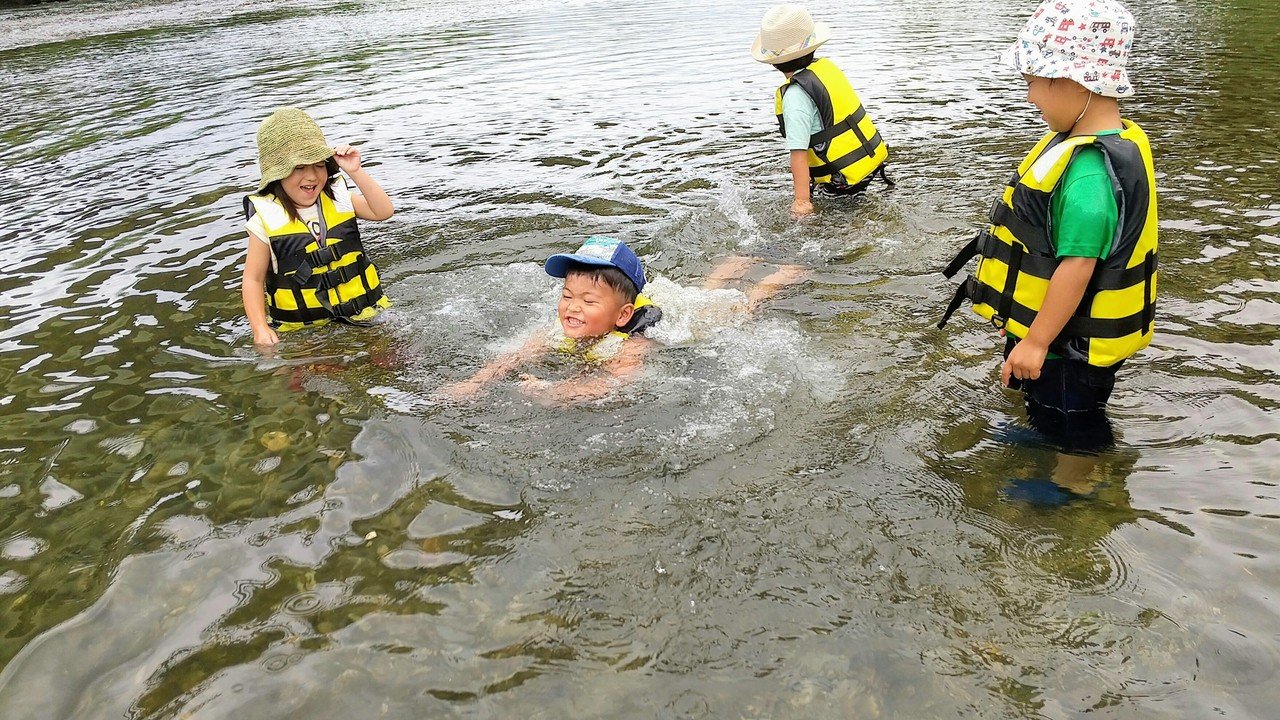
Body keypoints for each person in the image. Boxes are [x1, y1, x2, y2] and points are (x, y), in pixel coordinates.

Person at [938, 0, 1158, 451]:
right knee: (1055, 416)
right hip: (1066, 342)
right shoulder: (1101, 144)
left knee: (1072, 428)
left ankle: (1079, 490)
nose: (1029, 97)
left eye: (1032, 83)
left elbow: (1076, 268)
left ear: (1071, 82)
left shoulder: (1089, 177)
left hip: (1068, 353)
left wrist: (1036, 342)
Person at [440, 237, 805, 403]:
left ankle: (782, 276)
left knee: (735, 308)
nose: (572, 308)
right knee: (706, 291)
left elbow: (616, 382)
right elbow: (512, 356)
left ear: (622, 316)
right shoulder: (557, 331)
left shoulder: (632, 345)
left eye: (587, 300)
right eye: (566, 296)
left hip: (682, 318)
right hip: (648, 302)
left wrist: (552, 392)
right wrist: (474, 383)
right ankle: (734, 261)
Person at [241, 107, 394, 346]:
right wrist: (259, 328)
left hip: (366, 315)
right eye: (299, 167)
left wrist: (355, 171)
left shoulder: (338, 197)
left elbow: (383, 211)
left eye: (319, 165)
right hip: (306, 334)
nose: (312, 176)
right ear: (277, 174)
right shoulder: (264, 218)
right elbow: (253, 278)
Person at [751, 3, 890, 217]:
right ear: (813, 47)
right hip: (867, 169)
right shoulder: (825, 70)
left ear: (773, 63)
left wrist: (801, 201)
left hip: (840, 182)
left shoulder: (795, 97)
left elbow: (798, 153)